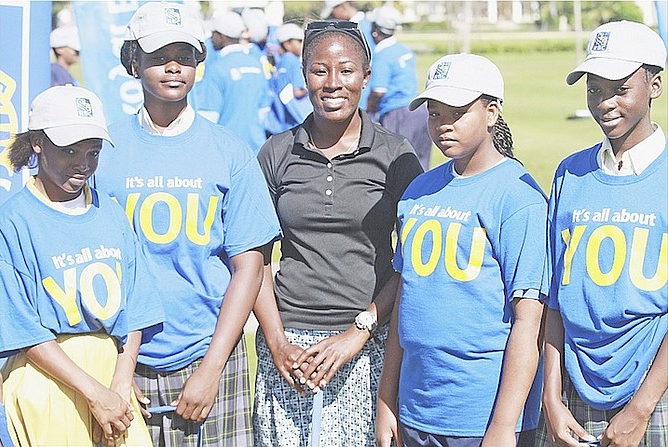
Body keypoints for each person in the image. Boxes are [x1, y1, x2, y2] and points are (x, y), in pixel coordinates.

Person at [92, 3, 281, 446]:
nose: (173, 67)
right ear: (133, 61)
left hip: (211, 357)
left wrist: (212, 368)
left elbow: (249, 267)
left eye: (185, 55)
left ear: (200, 62)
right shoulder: (102, 153)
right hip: (124, 364)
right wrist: (112, 369)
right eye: (159, 56)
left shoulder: (229, 151)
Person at [252, 19, 423, 447]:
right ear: (303, 74)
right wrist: (276, 344)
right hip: (289, 347)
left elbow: (413, 262)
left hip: (368, 342)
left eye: (346, 70)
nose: (332, 83)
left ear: (366, 77)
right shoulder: (276, 151)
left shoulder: (395, 155)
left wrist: (361, 330)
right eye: (318, 70)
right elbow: (251, 261)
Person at [376, 53, 548, 447]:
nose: (443, 125)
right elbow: (407, 298)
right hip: (417, 409)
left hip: (483, 417)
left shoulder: (519, 197)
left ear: (491, 112)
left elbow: (529, 322)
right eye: (435, 113)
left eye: (457, 111)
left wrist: (504, 426)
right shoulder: (419, 190)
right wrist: (388, 400)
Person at [0, 85, 162, 447]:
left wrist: (119, 383)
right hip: (48, 381)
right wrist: (93, 392)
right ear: (38, 143)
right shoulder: (11, 222)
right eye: (69, 150)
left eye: (93, 152)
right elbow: (22, 329)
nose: (83, 163)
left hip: (113, 379)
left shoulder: (111, 212)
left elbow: (136, 306)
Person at [538, 20, 667, 447]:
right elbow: (554, 297)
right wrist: (551, 398)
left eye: (620, 88)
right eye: (594, 89)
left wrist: (642, 407)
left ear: (655, 85)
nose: (605, 102)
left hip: (654, 389)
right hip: (572, 392)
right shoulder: (569, 173)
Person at [193, 11, 271, 155]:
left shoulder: (217, 68)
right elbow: (263, 111)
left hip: (226, 150)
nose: (212, 38)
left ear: (221, 36)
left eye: (214, 34)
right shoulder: (256, 64)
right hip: (256, 148)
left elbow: (208, 116)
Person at [366, 5, 432, 170]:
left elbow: (378, 91)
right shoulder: (403, 50)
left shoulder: (382, 55)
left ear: (375, 30)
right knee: (421, 163)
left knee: (398, 164)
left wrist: (369, 110)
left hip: (398, 113)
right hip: (419, 110)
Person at [264, 23, 313, 136]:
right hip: (295, 122)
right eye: (299, 41)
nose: (303, 45)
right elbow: (297, 92)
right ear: (287, 44)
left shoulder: (281, 62)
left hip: (279, 124)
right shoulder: (293, 61)